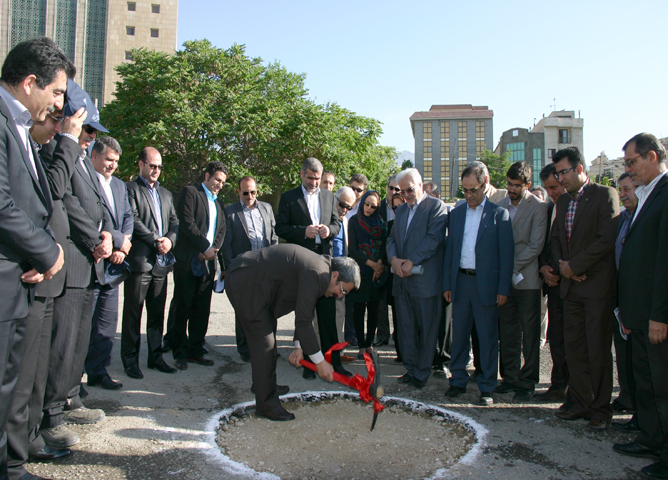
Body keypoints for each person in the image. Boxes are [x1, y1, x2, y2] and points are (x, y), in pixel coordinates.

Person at [0, 37, 71, 478]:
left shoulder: (18, 126)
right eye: (57, 91)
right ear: (30, 83)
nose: (59, 103)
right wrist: (47, 251)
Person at [6, 104, 84, 479]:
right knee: (19, 378)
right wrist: (67, 140)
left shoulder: (38, 150)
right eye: (55, 118)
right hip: (30, 271)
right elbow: (48, 195)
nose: (62, 127)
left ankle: (29, 439)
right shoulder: (39, 146)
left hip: (46, 273)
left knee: (37, 371)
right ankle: (15, 455)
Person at [39, 79, 114, 449]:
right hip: (70, 261)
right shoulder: (56, 151)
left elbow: (97, 205)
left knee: (78, 340)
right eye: (86, 129)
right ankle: (50, 415)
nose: (89, 137)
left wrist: (107, 236)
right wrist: (94, 238)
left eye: (92, 131)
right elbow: (66, 201)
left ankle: (70, 396)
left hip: (88, 263)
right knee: (62, 342)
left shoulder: (84, 159)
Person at [226, 244, 360, 421]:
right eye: (342, 290)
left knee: (267, 340)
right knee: (264, 344)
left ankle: (265, 385)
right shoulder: (317, 272)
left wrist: (299, 347)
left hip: (259, 287)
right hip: (246, 282)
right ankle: (266, 405)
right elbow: (304, 323)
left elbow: (305, 310)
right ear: (336, 276)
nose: (339, 295)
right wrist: (320, 362)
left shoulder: (321, 270)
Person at [550, 146, 619, 431]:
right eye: (557, 173)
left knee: (597, 349)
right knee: (575, 348)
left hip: (596, 288)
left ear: (579, 169)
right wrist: (562, 265)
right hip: (571, 289)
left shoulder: (605, 195)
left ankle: (600, 409)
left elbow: (606, 239)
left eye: (564, 172)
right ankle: (578, 401)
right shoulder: (564, 202)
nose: (560, 178)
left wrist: (575, 266)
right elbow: (555, 240)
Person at [614, 133, 668, 478]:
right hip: (637, 312)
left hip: (654, 314)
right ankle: (651, 438)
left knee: (662, 386)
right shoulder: (647, 195)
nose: (628, 171)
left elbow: (664, 260)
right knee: (646, 380)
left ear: (651, 156)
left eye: (631, 162)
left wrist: (659, 315)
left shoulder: (664, 194)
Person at [443, 163, 514, 406]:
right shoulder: (457, 214)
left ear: (485, 185)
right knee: (459, 336)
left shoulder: (499, 215)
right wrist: (447, 284)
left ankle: (486, 387)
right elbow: (450, 252)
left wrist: (503, 289)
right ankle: (458, 381)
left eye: (473, 190)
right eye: (465, 190)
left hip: (486, 286)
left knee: (486, 338)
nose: (468, 195)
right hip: (461, 283)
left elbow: (507, 257)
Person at [275, 157, 340, 378]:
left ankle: (334, 362)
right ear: (302, 174)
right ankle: (309, 364)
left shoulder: (330, 196)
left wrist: (329, 231)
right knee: (305, 312)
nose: (314, 182)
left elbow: (337, 224)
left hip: (324, 260)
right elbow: (280, 228)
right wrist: (303, 231)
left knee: (327, 313)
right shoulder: (288, 198)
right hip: (301, 262)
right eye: (310, 178)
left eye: (317, 178)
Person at [386, 168, 448, 389]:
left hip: (425, 282)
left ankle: (422, 373)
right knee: (406, 328)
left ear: (420, 185)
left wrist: (412, 260)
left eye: (410, 189)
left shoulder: (436, 207)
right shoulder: (401, 211)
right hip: (402, 281)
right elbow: (391, 238)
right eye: (402, 191)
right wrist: (393, 259)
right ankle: (411, 369)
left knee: (427, 329)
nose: (407, 195)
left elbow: (434, 239)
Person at [121, 147, 179, 379]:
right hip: (140, 262)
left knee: (156, 315)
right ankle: (129, 361)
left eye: (159, 167)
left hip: (161, 264)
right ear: (141, 165)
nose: (156, 170)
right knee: (133, 314)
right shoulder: (131, 189)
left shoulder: (165, 194)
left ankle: (155, 358)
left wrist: (170, 241)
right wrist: (157, 241)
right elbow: (133, 219)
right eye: (152, 165)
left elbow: (174, 221)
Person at [84, 136, 133, 390]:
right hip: (92, 260)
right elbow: (91, 218)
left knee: (106, 323)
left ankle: (98, 370)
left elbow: (127, 217)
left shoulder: (120, 186)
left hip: (114, 265)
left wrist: (123, 246)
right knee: (84, 324)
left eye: (116, 161)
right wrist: (115, 241)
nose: (112, 165)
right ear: (94, 156)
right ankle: (73, 378)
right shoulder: (85, 179)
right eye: (108, 159)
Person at [496, 162, 547, 402]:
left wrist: (510, 267)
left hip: (527, 281)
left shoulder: (538, 207)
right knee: (507, 332)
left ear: (527, 185)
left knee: (530, 334)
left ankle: (528, 382)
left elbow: (535, 245)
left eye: (517, 185)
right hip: (504, 283)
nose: (512, 189)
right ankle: (510, 378)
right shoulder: (499, 206)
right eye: (509, 184)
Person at [171, 161, 227, 370]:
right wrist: (205, 247)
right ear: (206, 176)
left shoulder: (219, 204)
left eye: (222, 182)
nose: (219, 185)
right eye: (217, 180)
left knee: (202, 309)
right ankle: (179, 351)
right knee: (182, 306)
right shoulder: (190, 193)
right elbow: (186, 223)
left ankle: (196, 349)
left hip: (208, 264)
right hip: (188, 261)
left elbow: (222, 230)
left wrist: (214, 250)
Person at [222, 176, 278, 363]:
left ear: (257, 191)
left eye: (253, 192)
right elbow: (226, 245)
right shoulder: (230, 212)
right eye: (245, 192)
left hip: (266, 268)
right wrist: (232, 269)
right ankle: (245, 349)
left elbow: (273, 236)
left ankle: (268, 346)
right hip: (243, 269)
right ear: (238, 192)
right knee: (245, 311)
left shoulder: (267, 208)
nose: (249, 196)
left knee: (268, 309)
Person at [534, 163, 570, 404]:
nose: (552, 193)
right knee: (556, 338)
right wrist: (544, 267)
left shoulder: (576, 207)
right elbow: (544, 243)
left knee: (574, 342)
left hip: (575, 284)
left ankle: (575, 390)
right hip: (553, 285)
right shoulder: (548, 208)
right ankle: (558, 385)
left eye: (554, 187)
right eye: (548, 188)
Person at [609, 172, 638, 421]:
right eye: (621, 190)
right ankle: (628, 397)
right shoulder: (622, 219)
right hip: (620, 296)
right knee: (624, 352)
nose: (623, 195)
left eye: (628, 189)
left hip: (640, 298)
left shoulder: (646, 219)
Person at [348, 190, 387, 360]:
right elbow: (353, 250)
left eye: (373, 206)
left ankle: (369, 344)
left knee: (373, 310)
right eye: (366, 204)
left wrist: (378, 266)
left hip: (376, 273)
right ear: (362, 202)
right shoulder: (354, 221)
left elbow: (383, 245)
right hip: (360, 270)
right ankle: (361, 345)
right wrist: (371, 264)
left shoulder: (380, 223)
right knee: (358, 309)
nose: (369, 208)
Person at [332, 187, 357, 365]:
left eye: (348, 207)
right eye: (342, 204)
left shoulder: (346, 221)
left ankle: (338, 352)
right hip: (325, 273)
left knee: (340, 314)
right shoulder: (323, 218)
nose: (344, 210)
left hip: (342, 276)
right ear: (334, 199)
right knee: (317, 316)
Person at [373, 175, 399, 347]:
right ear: (387, 188)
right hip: (380, 261)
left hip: (398, 262)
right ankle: (382, 335)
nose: (393, 192)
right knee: (380, 302)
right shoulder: (378, 207)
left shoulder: (404, 207)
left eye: (397, 189)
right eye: (391, 188)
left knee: (397, 303)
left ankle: (399, 337)